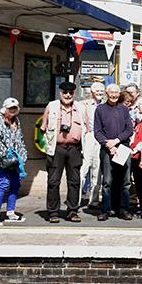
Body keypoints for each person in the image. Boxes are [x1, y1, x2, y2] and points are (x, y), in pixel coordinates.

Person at [40, 81, 85, 223]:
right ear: (60, 93)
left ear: (74, 94)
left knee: (75, 181)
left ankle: (72, 211)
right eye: (65, 92)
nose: (68, 95)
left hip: (75, 148)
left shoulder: (81, 108)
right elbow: (42, 128)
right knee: (53, 181)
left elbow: (87, 129)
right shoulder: (51, 106)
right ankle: (53, 212)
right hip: (56, 148)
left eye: (71, 93)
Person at [94, 84, 134, 221]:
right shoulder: (100, 109)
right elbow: (97, 131)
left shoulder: (124, 109)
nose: (114, 95)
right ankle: (105, 209)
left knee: (125, 181)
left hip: (123, 147)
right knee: (107, 181)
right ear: (106, 93)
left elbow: (129, 129)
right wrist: (108, 144)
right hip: (106, 149)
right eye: (111, 92)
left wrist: (115, 141)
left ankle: (123, 209)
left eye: (116, 93)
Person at [0, 97, 28, 226]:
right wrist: (5, 155)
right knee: (3, 184)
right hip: (4, 159)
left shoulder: (17, 121)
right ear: (5, 109)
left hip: (16, 159)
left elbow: (20, 140)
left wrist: (22, 156)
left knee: (16, 184)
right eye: (10, 108)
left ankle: (10, 212)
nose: (12, 110)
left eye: (15, 108)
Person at [79, 82, 105, 208]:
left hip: (101, 138)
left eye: (101, 90)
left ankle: (94, 200)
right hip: (89, 136)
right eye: (97, 91)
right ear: (92, 92)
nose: (100, 93)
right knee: (84, 167)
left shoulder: (106, 105)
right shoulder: (84, 104)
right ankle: (76, 199)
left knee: (97, 169)